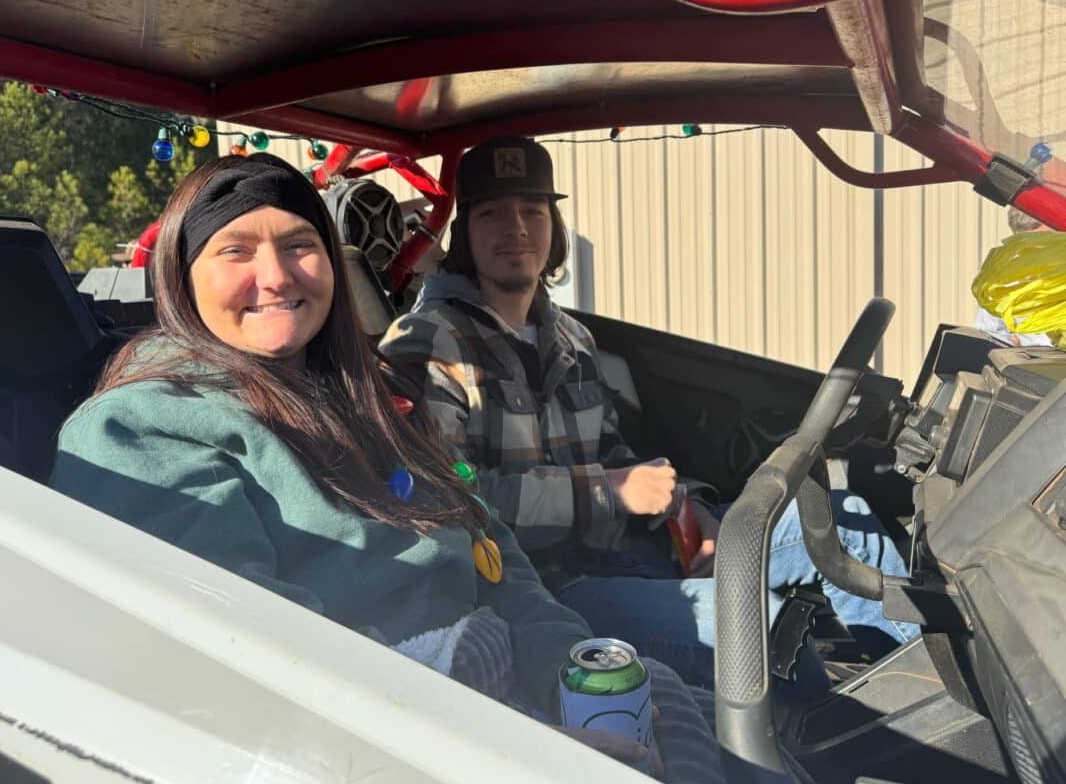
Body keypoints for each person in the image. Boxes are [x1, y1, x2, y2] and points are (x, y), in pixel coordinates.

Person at [48, 153, 743, 784]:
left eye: (299, 244)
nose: (277, 275)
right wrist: (514, 752)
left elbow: (496, 557)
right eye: (236, 251)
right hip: (386, 760)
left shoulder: (368, 397)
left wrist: (568, 675)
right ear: (181, 276)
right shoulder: (142, 429)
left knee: (669, 708)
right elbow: (255, 673)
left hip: (485, 692)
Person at [379, 136, 919, 687]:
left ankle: (922, 694)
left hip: (628, 548)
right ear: (464, 234)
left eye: (532, 211)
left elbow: (614, 455)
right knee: (762, 627)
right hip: (544, 588)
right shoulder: (429, 342)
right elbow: (447, 502)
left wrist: (690, 510)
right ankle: (839, 738)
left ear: (553, 228)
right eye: (492, 213)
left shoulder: (571, 338)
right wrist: (606, 492)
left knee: (841, 522)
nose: (515, 228)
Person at [973, 206, 1053, 347]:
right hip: (1031, 360)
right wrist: (1011, 342)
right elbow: (988, 335)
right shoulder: (1001, 281)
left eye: (1049, 240)